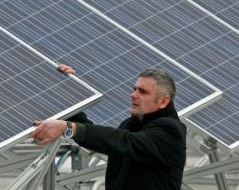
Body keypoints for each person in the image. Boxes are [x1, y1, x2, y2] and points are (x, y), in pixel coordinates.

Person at [29, 64, 186, 190]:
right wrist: (71, 89)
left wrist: (69, 128)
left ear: (163, 101)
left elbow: (124, 141)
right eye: (134, 89)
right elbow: (103, 140)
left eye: (143, 92)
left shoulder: (170, 131)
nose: (133, 95)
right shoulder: (132, 124)